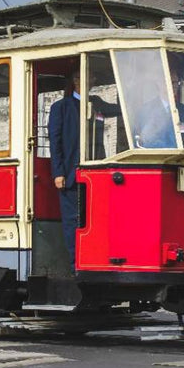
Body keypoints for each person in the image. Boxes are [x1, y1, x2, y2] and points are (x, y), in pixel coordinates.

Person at [48, 69, 119, 267]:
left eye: (92, 76)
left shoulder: (96, 103)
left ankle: (94, 260)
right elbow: (55, 141)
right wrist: (58, 172)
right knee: (73, 221)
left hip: (96, 171)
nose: (91, 79)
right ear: (76, 80)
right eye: (86, 76)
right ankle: (75, 263)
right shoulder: (61, 107)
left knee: (96, 218)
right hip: (71, 173)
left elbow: (118, 110)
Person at [135, 54, 184, 150]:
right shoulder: (147, 109)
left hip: (176, 162)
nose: (175, 86)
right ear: (159, 83)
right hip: (155, 161)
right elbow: (146, 140)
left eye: (177, 82)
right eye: (171, 82)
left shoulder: (181, 109)